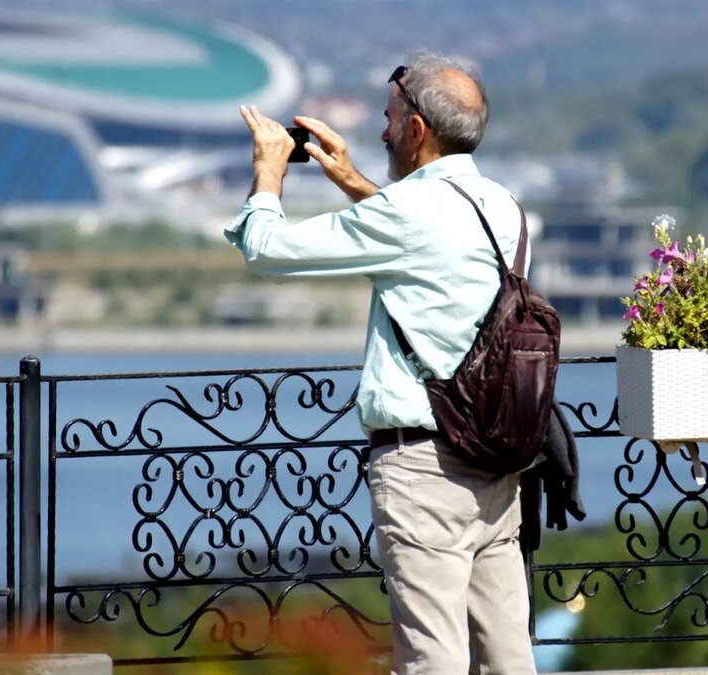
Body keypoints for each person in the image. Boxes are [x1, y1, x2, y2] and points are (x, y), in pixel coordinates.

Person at [225, 52, 537, 674]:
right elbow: (422, 247)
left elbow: (266, 248)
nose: (382, 131)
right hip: (497, 462)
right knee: (507, 657)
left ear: (419, 130)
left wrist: (268, 172)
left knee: (431, 660)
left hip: (424, 469)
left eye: (390, 118)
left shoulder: (406, 216)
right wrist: (353, 181)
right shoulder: (502, 206)